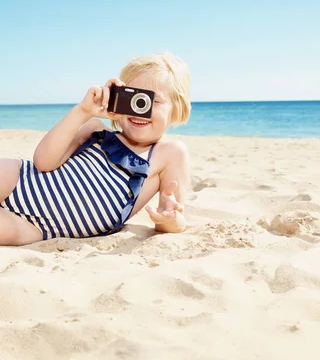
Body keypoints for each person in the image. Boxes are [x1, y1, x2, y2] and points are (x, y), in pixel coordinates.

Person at [0, 53, 191, 246]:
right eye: (133, 98)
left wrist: (170, 219)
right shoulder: (95, 129)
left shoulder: (170, 153)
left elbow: (175, 221)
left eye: (152, 101)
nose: (138, 109)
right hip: (22, 181)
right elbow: (43, 162)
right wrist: (83, 111)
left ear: (177, 108)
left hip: (40, 228)